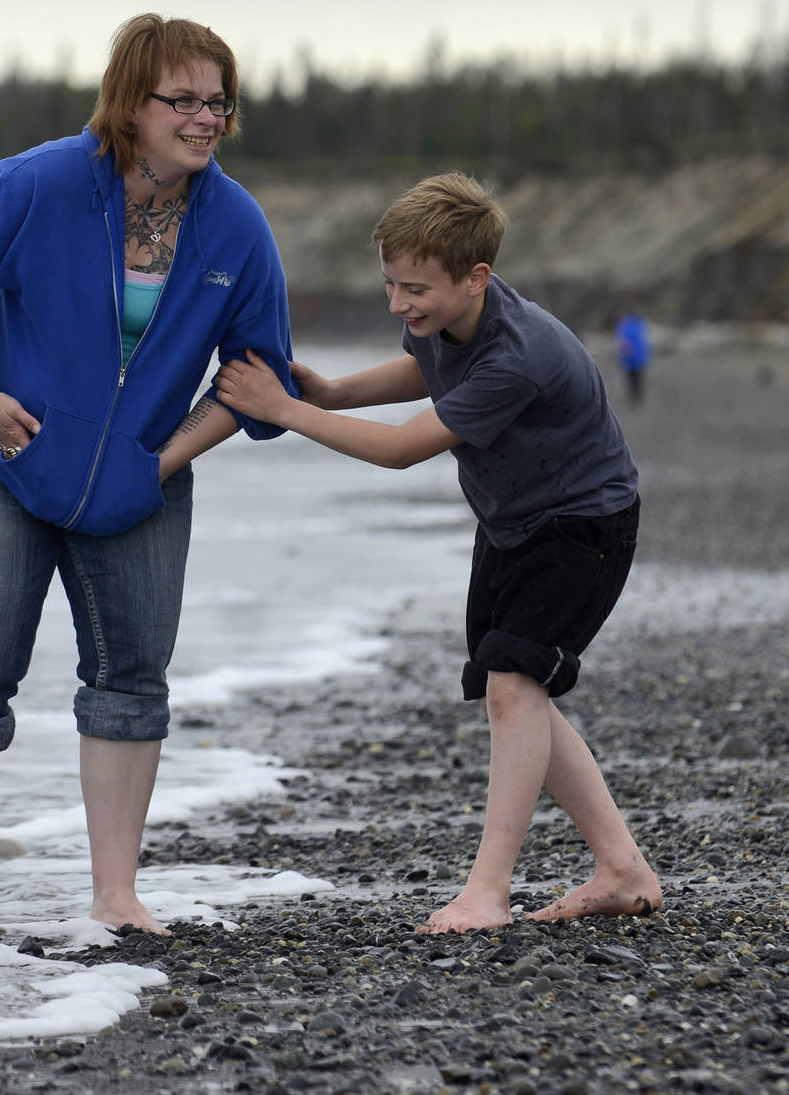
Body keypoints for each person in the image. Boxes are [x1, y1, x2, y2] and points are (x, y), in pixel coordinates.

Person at [0, 14, 297, 936]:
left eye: (217, 102)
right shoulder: (40, 181)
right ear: (130, 101)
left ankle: (116, 898)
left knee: (129, 678)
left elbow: (255, 377)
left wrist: (161, 461)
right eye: (181, 100)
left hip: (140, 481)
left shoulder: (236, 225)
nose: (204, 119)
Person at [214, 172, 659, 934]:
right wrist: (332, 393)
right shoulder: (443, 319)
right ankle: (620, 868)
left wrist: (284, 410)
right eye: (389, 285)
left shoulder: (518, 353)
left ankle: (487, 892)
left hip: (584, 525)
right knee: (512, 691)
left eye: (414, 289)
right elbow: (427, 370)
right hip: (513, 523)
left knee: (513, 688)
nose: (399, 304)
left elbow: (401, 451)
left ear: (477, 276)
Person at [611, 308, 651, 406]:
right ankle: (638, 396)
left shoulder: (624, 328)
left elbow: (623, 344)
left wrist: (620, 357)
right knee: (638, 378)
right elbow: (645, 344)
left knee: (631, 379)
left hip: (629, 359)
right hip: (639, 359)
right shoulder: (640, 326)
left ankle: (633, 397)